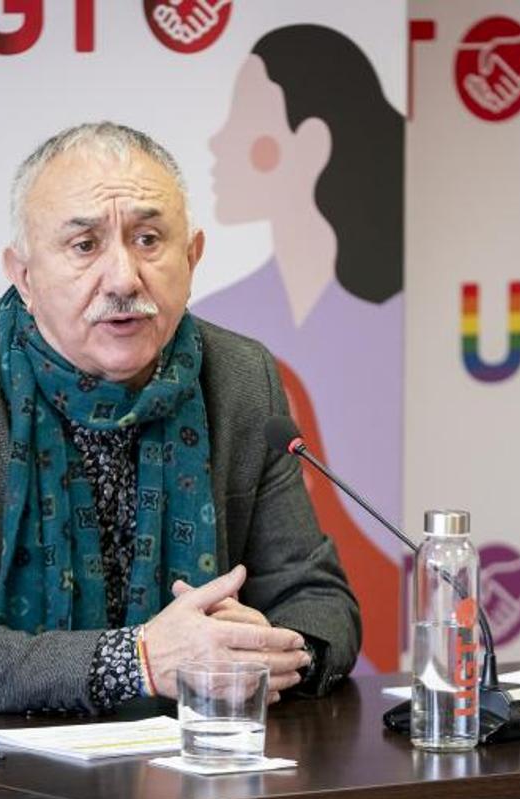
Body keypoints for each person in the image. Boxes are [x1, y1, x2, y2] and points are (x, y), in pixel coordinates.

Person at [0, 122, 360, 716]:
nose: (123, 278)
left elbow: (321, 603)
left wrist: (259, 651)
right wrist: (138, 660)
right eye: (84, 246)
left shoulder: (242, 379)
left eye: (148, 239)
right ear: (23, 275)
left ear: (192, 258)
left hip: (179, 769)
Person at [192, 24, 405, 672]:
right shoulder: (205, 336)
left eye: (241, 120)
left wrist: (281, 646)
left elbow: (321, 598)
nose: (216, 139)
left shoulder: (379, 330)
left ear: (308, 147)